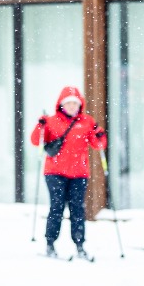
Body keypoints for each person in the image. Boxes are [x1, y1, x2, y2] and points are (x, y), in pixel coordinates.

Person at [30, 86, 107, 260]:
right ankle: (50, 243)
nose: (72, 106)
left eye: (75, 103)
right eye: (68, 103)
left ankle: (80, 244)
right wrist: (40, 126)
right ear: (62, 105)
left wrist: (99, 134)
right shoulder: (51, 121)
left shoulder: (87, 122)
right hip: (55, 172)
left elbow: (98, 145)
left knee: (77, 209)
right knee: (56, 207)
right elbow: (36, 141)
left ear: (80, 105)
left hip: (79, 173)